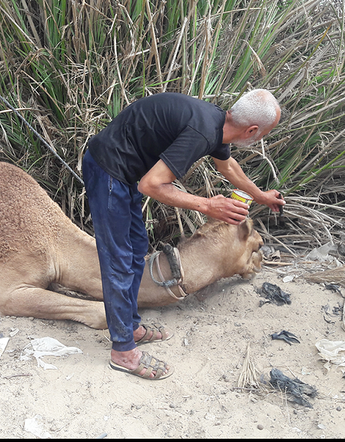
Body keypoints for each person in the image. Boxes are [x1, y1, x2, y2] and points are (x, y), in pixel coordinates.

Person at [81, 89, 285, 380]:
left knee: (136, 248)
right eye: (265, 133)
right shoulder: (201, 132)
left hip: (123, 171)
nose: (262, 138)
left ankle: (130, 327)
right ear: (251, 130)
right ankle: (123, 352)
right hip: (108, 169)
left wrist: (261, 195)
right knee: (119, 260)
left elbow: (227, 166)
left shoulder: (216, 124)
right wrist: (208, 206)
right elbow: (151, 185)